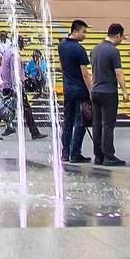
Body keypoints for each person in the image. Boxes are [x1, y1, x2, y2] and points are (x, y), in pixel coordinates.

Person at [89, 24, 127, 167]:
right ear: (117, 35)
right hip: (108, 91)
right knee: (108, 125)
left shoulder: (95, 49)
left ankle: (98, 156)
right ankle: (109, 156)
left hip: (95, 90)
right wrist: (124, 90)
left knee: (96, 124)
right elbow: (119, 72)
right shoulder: (113, 51)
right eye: (122, 37)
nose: (121, 40)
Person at [58, 19, 92, 163]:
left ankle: (64, 152)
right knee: (81, 121)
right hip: (80, 89)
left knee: (68, 120)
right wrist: (91, 90)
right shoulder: (79, 49)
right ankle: (75, 153)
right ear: (75, 31)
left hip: (68, 88)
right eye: (83, 32)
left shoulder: (62, 45)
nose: (84, 35)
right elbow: (85, 73)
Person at [0, 36, 42, 140]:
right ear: (18, 42)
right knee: (23, 109)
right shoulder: (14, 54)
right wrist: (16, 88)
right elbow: (14, 73)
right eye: (22, 42)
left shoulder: (8, 51)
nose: (23, 44)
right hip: (13, 86)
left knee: (4, 108)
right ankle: (34, 132)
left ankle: (33, 131)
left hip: (7, 85)